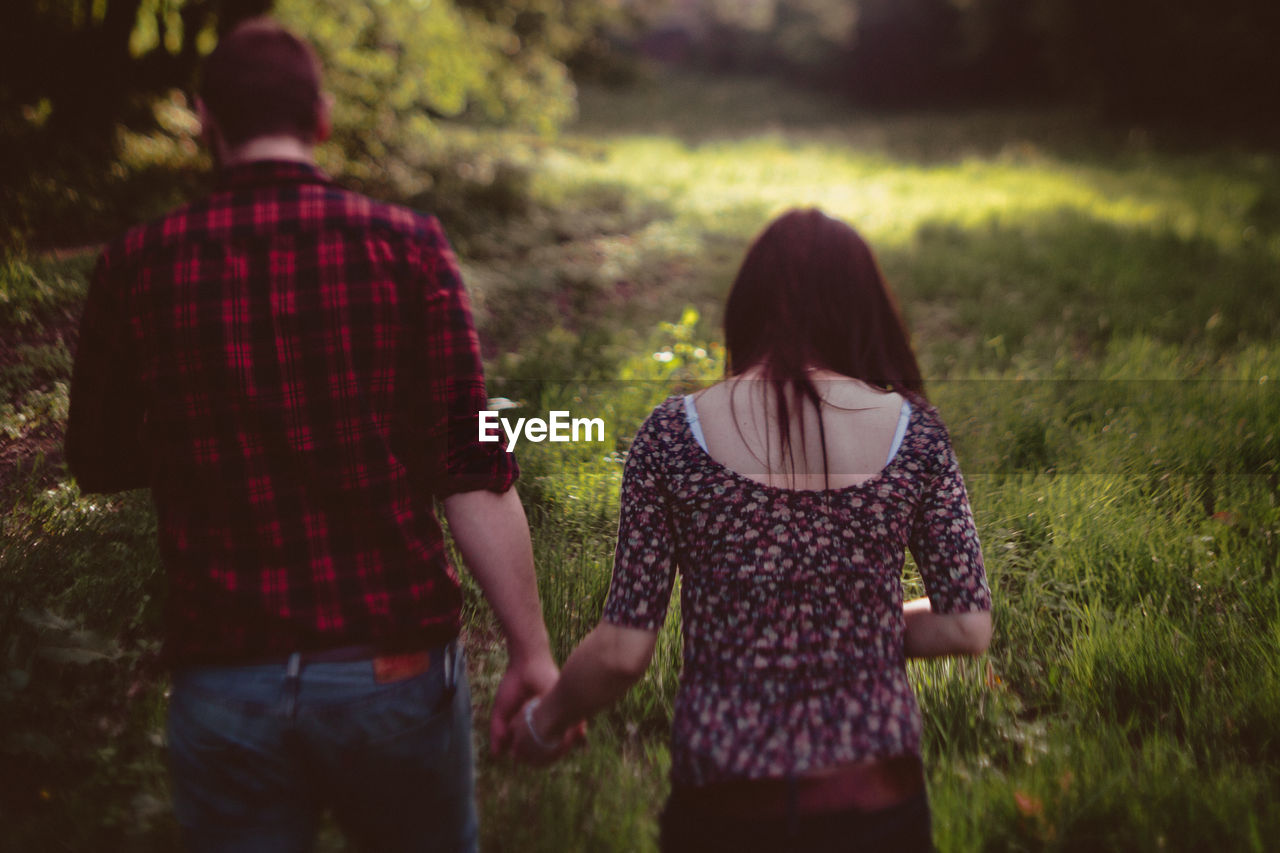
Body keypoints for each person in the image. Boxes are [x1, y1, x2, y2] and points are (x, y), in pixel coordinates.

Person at [65, 20, 557, 852]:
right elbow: (470, 467)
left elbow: (96, 458)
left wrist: (207, 432)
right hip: (393, 670)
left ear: (202, 119)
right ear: (321, 118)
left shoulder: (137, 263)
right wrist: (531, 652)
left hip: (226, 676)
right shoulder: (409, 248)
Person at [509, 209, 993, 851]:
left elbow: (624, 651)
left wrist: (542, 725)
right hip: (875, 798)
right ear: (861, 307)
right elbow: (967, 625)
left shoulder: (674, 434)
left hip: (728, 805)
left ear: (748, 307)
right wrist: (846, 624)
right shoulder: (916, 434)